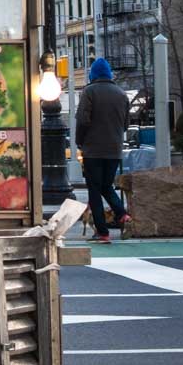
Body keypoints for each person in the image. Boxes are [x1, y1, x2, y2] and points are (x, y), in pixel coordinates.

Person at [75, 57, 131, 244]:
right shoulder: (122, 94)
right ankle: (122, 214)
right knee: (107, 186)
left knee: (94, 190)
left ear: (93, 74)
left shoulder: (89, 91)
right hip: (114, 150)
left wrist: (79, 142)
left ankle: (102, 232)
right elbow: (126, 124)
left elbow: (83, 121)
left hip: (93, 150)